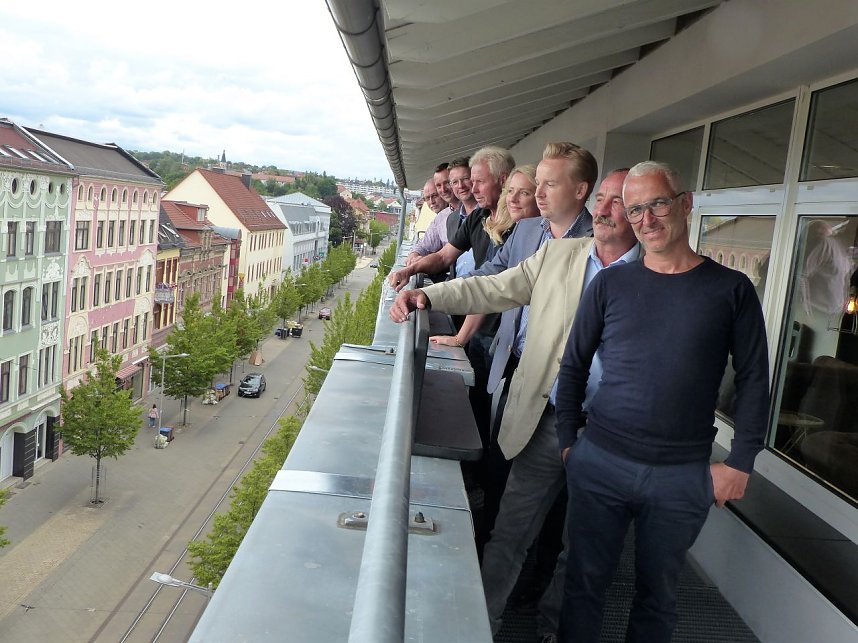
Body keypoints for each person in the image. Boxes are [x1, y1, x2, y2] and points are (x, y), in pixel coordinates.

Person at [389, 167, 638, 641]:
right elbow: (493, 286)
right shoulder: (561, 255)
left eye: (619, 202)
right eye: (602, 199)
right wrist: (426, 292)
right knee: (509, 535)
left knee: (581, 549)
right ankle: (479, 627)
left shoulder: (654, 274)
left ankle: (553, 630)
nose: (604, 211)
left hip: (611, 437)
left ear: (643, 215)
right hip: (546, 421)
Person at [554, 161, 770, 643]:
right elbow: (573, 366)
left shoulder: (731, 290)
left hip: (680, 475)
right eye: (635, 210)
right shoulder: (610, 285)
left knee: (658, 598)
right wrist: (570, 443)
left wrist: (741, 463)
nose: (646, 219)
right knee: (583, 586)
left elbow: (756, 379)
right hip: (601, 462)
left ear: (685, 203)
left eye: (657, 204)